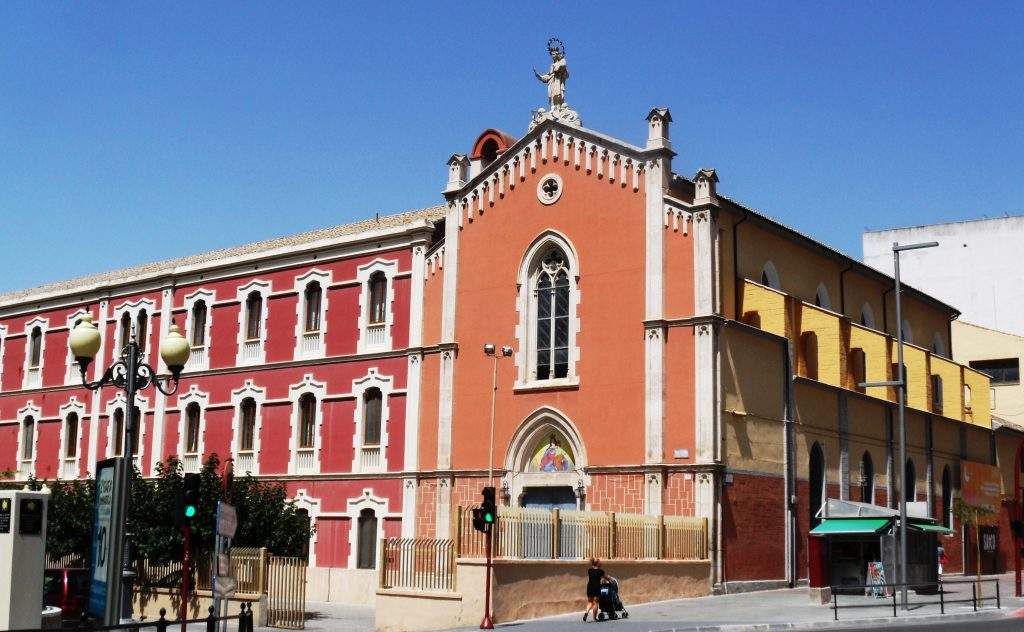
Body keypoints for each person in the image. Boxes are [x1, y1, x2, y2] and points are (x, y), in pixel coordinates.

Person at [583, 558, 605, 622]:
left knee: (590, 602)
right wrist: (609, 579)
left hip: (590, 587)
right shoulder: (601, 571)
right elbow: (606, 577)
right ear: (598, 564)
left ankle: (586, 612)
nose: (601, 563)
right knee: (595, 603)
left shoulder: (589, 570)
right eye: (600, 562)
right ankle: (594, 618)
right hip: (597, 587)